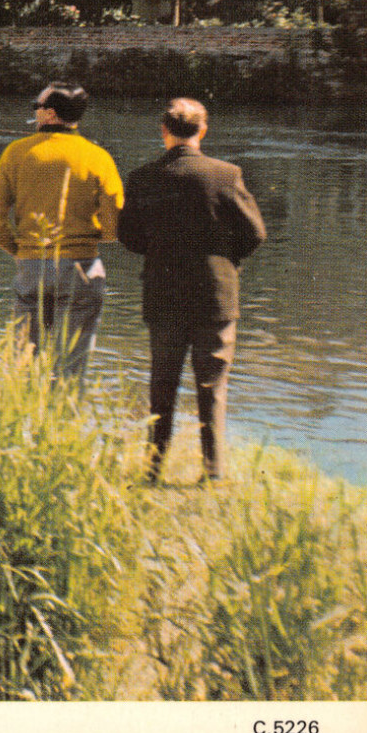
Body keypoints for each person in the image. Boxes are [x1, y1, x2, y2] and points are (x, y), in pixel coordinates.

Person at [118, 98, 266, 484]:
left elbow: (129, 236)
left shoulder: (141, 178)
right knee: (212, 386)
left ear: (163, 130)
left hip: (163, 292)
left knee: (162, 383)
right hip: (215, 295)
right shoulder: (226, 175)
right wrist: (226, 261)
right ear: (203, 130)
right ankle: (212, 474)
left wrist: (159, 251)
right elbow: (255, 233)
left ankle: (152, 471)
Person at [0, 82, 123, 382]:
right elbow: (115, 225)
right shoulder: (98, 157)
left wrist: (22, 250)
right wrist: (92, 237)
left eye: (37, 106)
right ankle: (65, 424)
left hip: (32, 266)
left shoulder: (16, 153)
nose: (34, 112)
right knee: (72, 367)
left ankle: (26, 425)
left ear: (49, 114)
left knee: (24, 364)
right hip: (81, 267)